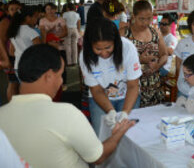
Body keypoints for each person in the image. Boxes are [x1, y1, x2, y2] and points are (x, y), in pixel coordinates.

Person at [0, 44, 134, 168]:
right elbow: (98, 157)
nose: (61, 81)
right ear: (49, 76)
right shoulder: (66, 113)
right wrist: (118, 133)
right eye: (60, 75)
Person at [80, 18, 142, 135]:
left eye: (108, 47)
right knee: (101, 134)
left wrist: (125, 112)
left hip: (127, 95)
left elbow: (133, 86)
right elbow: (96, 90)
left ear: (115, 42)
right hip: (100, 98)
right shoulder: (85, 56)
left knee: (129, 135)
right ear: (90, 45)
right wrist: (110, 111)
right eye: (98, 49)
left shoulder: (128, 48)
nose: (103, 53)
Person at [125, 0, 168, 107]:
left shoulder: (155, 32)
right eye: (141, 19)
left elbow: (164, 55)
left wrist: (158, 66)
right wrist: (139, 60)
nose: (145, 22)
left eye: (149, 18)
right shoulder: (125, 34)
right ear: (134, 16)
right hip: (133, 87)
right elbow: (117, 60)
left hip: (154, 86)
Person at [39, 3, 68, 90]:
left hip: (60, 46)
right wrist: (48, 41)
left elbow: (66, 32)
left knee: (62, 65)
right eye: (48, 9)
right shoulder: (42, 21)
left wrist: (55, 38)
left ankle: (63, 83)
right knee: (50, 66)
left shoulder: (61, 19)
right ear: (45, 10)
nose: (50, 11)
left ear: (55, 10)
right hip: (48, 47)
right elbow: (42, 34)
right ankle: (51, 84)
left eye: (52, 9)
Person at [0, 0, 21, 101]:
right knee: (13, 82)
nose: (15, 11)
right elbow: (1, 41)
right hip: (10, 56)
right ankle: (11, 107)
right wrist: (6, 58)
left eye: (17, 9)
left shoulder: (19, 21)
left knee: (18, 82)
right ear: (8, 11)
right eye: (12, 9)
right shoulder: (5, 22)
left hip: (18, 55)